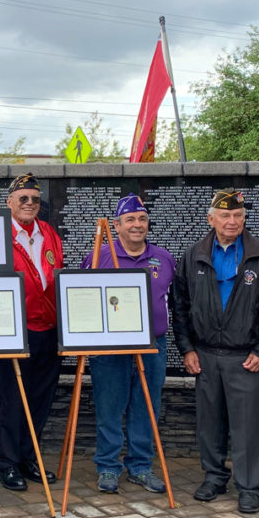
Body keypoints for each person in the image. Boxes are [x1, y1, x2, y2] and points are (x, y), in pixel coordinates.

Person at [171, 188, 259, 514]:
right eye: (225, 215)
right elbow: (179, 307)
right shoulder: (193, 254)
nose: (232, 221)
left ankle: (249, 487)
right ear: (212, 219)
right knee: (209, 424)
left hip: (247, 357)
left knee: (247, 427)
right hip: (206, 356)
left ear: (244, 218)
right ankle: (214, 477)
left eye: (237, 215)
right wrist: (187, 349)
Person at [80, 194, 176, 494]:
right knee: (109, 408)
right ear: (118, 225)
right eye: (130, 219)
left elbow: (176, 302)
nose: (137, 225)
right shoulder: (100, 256)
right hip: (110, 349)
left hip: (153, 346)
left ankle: (140, 467)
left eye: (142, 219)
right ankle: (108, 467)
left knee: (146, 407)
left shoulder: (164, 258)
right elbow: (82, 298)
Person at [0, 173, 64, 492]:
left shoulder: (48, 233)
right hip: (14, 330)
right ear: (10, 202)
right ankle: (7, 462)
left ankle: (28, 456)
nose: (29, 204)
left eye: (35, 199)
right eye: (23, 198)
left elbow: (57, 274)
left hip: (48, 329)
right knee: (11, 399)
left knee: (39, 398)